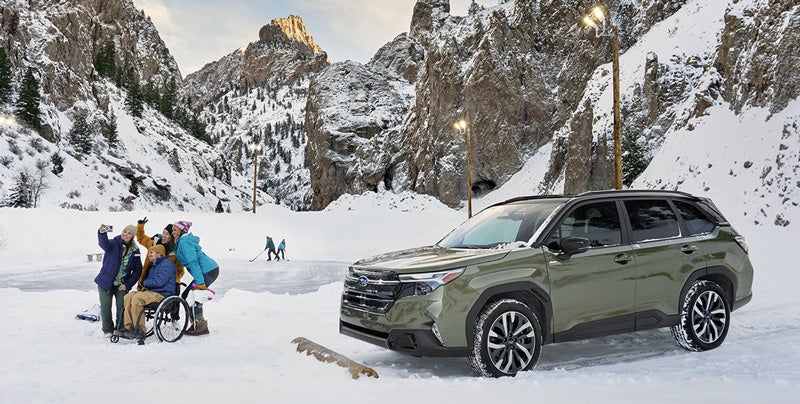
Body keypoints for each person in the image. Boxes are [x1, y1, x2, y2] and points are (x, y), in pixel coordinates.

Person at [117, 244, 176, 338]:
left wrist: (145, 283)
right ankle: (129, 327)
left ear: (159, 254)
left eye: (151, 252)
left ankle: (140, 330)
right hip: (151, 293)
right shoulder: (154, 266)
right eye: (149, 252)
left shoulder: (167, 265)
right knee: (128, 296)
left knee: (137, 298)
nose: (149, 254)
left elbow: (159, 282)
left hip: (162, 294)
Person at [94, 224, 142, 337]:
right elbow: (104, 244)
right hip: (106, 282)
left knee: (122, 307)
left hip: (121, 284)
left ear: (133, 236)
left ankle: (120, 328)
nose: (126, 234)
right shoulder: (114, 243)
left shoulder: (135, 250)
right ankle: (108, 330)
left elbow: (137, 271)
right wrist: (102, 233)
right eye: (125, 231)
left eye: (129, 233)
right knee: (106, 306)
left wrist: (127, 284)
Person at [172, 220, 219, 336]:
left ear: (182, 230)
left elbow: (193, 262)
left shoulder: (184, 241)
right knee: (187, 296)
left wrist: (200, 281)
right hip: (207, 270)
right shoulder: (181, 240)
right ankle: (196, 324)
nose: (172, 232)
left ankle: (201, 326)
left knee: (194, 297)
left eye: (174, 230)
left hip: (207, 271)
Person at [135, 217, 185, 286]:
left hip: (165, 287)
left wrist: (168, 280)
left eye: (167, 234)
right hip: (146, 281)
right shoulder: (154, 243)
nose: (163, 236)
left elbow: (180, 272)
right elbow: (141, 238)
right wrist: (140, 226)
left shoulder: (176, 253)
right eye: (163, 233)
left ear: (172, 237)